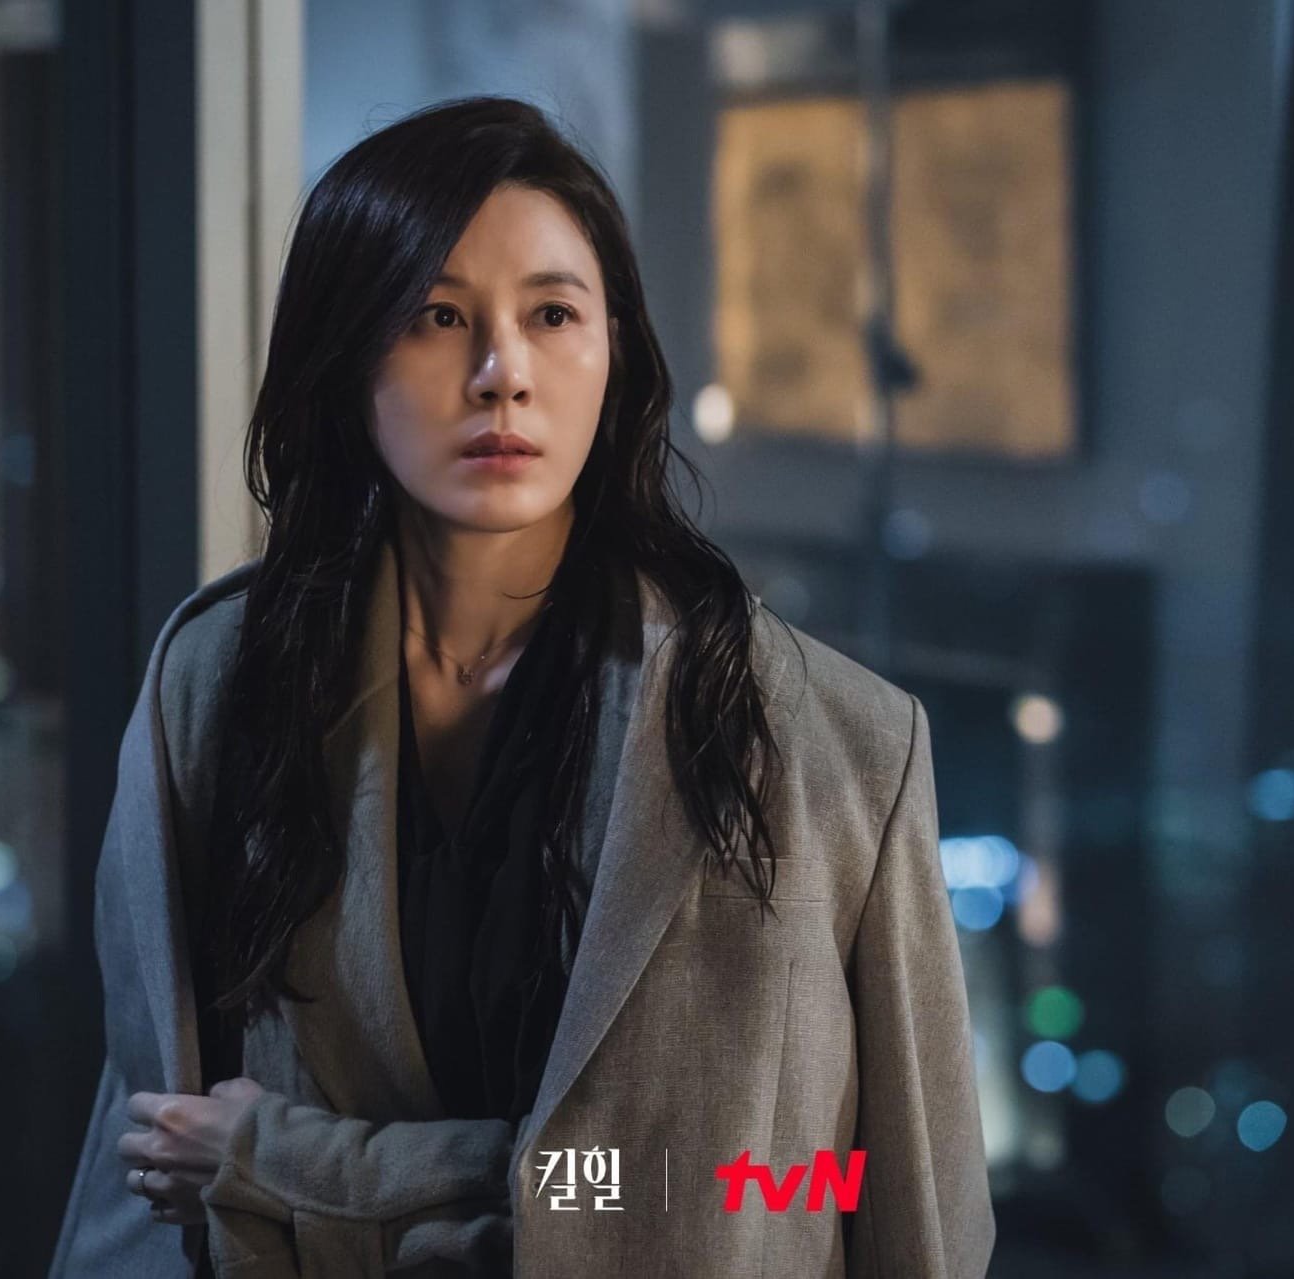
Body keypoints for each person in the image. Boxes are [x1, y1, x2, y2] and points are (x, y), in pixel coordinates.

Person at [50, 95, 995, 1277]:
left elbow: (807, 1188)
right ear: (345, 356)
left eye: (553, 314)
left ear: (615, 349)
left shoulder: (833, 742)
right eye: (436, 316)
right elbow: (148, 1162)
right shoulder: (221, 684)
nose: (502, 374)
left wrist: (293, 1162)